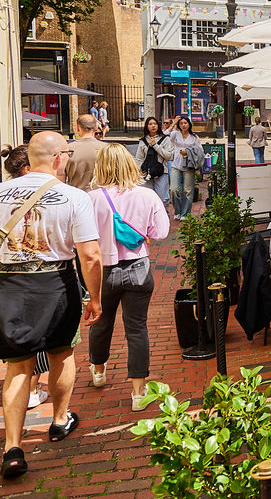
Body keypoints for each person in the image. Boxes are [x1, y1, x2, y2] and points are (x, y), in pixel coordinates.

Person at [0, 132, 103, 480]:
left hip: (9, 284)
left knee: (17, 366)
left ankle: (12, 446)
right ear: (59, 157)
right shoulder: (74, 196)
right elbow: (90, 255)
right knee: (62, 353)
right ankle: (59, 420)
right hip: (55, 282)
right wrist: (95, 297)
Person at [86, 144, 170, 411]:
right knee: (137, 328)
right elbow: (161, 233)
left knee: (101, 322)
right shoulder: (147, 196)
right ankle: (137, 392)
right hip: (138, 267)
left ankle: (98, 372)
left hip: (104, 269)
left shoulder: (91, 198)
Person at [1, 145, 50, 411]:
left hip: (6, 278)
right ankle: (33, 390)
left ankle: (25, 388)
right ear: (28, 168)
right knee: (41, 339)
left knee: (16, 347)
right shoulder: (49, 195)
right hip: (39, 276)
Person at [167, 115, 202, 220]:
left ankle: (185, 213)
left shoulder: (194, 137)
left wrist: (188, 151)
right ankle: (177, 211)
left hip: (189, 165)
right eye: (181, 123)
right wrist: (173, 123)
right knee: (173, 189)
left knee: (188, 190)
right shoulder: (175, 134)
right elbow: (164, 134)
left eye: (185, 123)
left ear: (189, 124)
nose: (183, 125)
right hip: (176, 164)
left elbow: (200, 151)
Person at [135, 117, 173, 205]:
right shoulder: (143, 140)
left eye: (155, 124)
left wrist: (155, 146)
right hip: (146, 173)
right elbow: (139, 158)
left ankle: (163, 216)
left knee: (162, 199)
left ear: (158, 126)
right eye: (150, 124)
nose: (153, 126)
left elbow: (169, 156)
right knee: (147, 199)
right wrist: (139, 171)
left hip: (161, 172)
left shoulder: (165, 139)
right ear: (147, 126)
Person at [64, 114, 105, 191]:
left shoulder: (67, 149)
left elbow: (60, 177)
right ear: (96, 128)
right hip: (101, 197)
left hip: (76, 195)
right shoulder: (106, 149)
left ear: (78, 128)